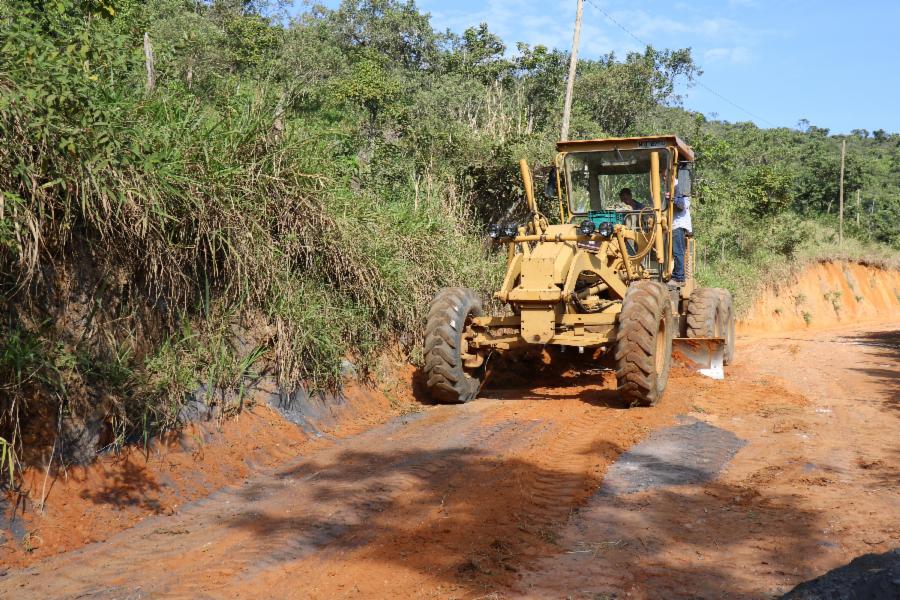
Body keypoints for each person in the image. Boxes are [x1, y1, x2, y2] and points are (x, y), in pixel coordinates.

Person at [671, 180, 692, 286]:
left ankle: (679, 277)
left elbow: (684, 204)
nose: (663, 177)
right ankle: (675, 275)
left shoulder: (679, 186)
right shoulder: (668, 186)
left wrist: (672, 199)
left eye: (665, 175)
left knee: (678, 251)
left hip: (678, 224)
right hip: (671, 224)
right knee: (674, 252)